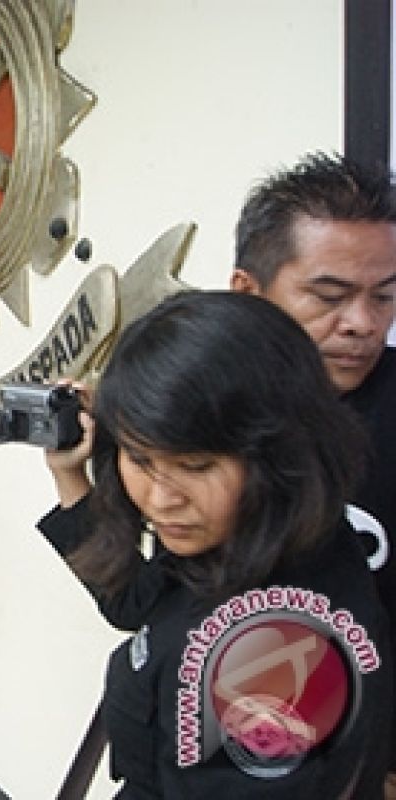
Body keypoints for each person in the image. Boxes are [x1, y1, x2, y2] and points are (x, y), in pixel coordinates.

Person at [39, 291, 391, 797]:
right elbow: (138, 604)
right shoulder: (248, 528)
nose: (160, 499)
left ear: (280, 454)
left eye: (196, 466)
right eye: (140, 459)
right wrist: (72, 478)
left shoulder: (279, 661)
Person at [229, 151, 396, 788]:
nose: (363, 324)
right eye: (330, 297)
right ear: (248, 292)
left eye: (384, 297)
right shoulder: (209, 411)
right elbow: (138, 597)